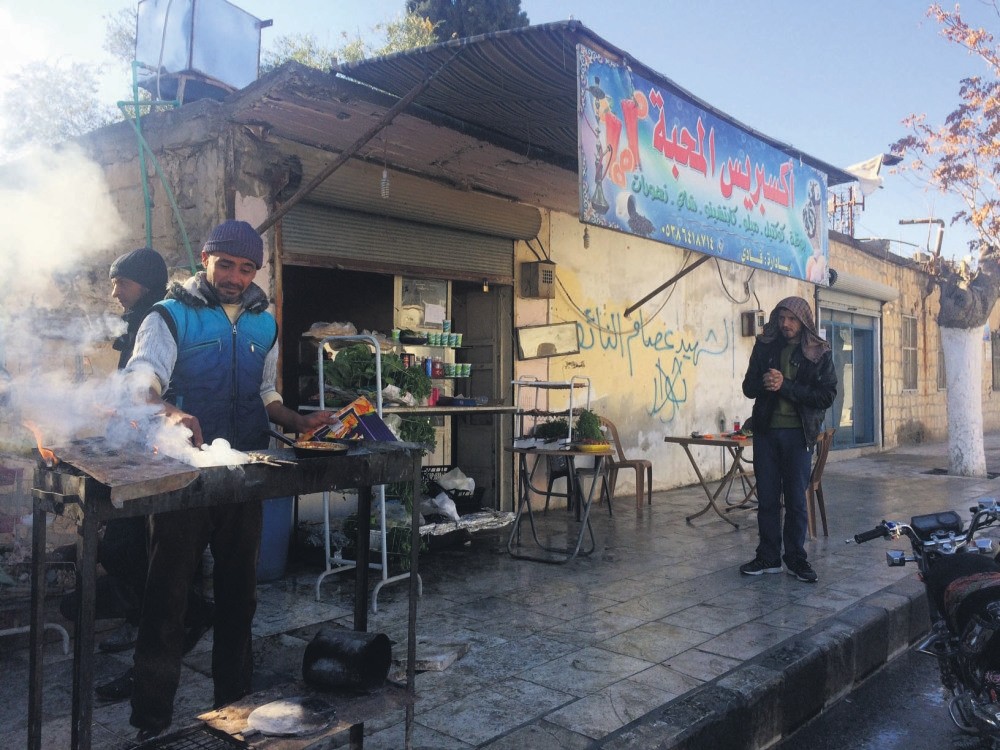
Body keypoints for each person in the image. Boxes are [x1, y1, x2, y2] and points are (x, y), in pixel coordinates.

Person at [123, 220, 338, 740]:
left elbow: (266, 394)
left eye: (245, 268)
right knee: (166, 603)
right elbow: (139, 384)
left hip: (246, 475)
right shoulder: (168, 317)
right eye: (225, 264)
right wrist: (169, 413)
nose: (234, 277)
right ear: (205, 259)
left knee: (240, 599)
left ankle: (235, 709)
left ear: (256, 271)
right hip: (183, 479)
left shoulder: (266, 324)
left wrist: (296, 420)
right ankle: (150, 722)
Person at [739, 296, 837, 583]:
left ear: (803, 321)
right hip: (767, 433)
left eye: (792, 319)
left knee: (795, 500)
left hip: (799, 435)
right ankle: (768, 557)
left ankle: (795, 558)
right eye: (781, 318)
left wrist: (787, 387)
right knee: (767, 498)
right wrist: (764, 384)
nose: (785, 324)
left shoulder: (819, 352)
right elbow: (748, 387)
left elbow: (826, 395)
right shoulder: (765, 346)